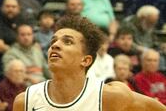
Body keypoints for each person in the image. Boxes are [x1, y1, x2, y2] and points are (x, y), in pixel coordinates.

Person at [12, 15, 165, 110]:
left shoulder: (110, 96)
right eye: (54, 40)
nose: (55, 45)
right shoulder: (25, 101)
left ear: (85, 60)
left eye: (67, 42)